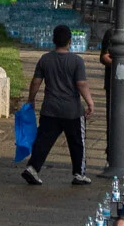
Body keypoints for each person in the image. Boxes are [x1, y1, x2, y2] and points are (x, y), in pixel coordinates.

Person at [23, 24, 95, 185]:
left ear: (53, 40)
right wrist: (90, 102)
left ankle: (33, 168)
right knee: (77, 142)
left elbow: (36, 82)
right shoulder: (76, 61)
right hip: (72, 111)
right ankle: (79, 173)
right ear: (70, 41)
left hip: (50, 109)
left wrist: (31, 99)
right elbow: (81, 84)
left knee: (43, 140)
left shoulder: (45, 59)